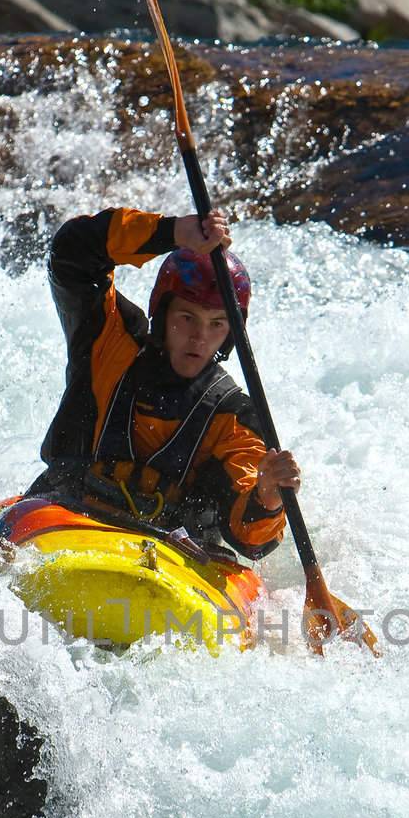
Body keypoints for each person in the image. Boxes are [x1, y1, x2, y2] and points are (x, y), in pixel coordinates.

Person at [25, 206, 301, 560]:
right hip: (65, 519)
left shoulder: (235, 418)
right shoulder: (110, 341)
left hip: (173, 560)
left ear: (232, 332)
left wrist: (268, 496)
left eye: (217, 324)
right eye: (187, 318)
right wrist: (174, 233)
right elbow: (72, 252)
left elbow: (250, 541)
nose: (200, 338)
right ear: (162, 310)